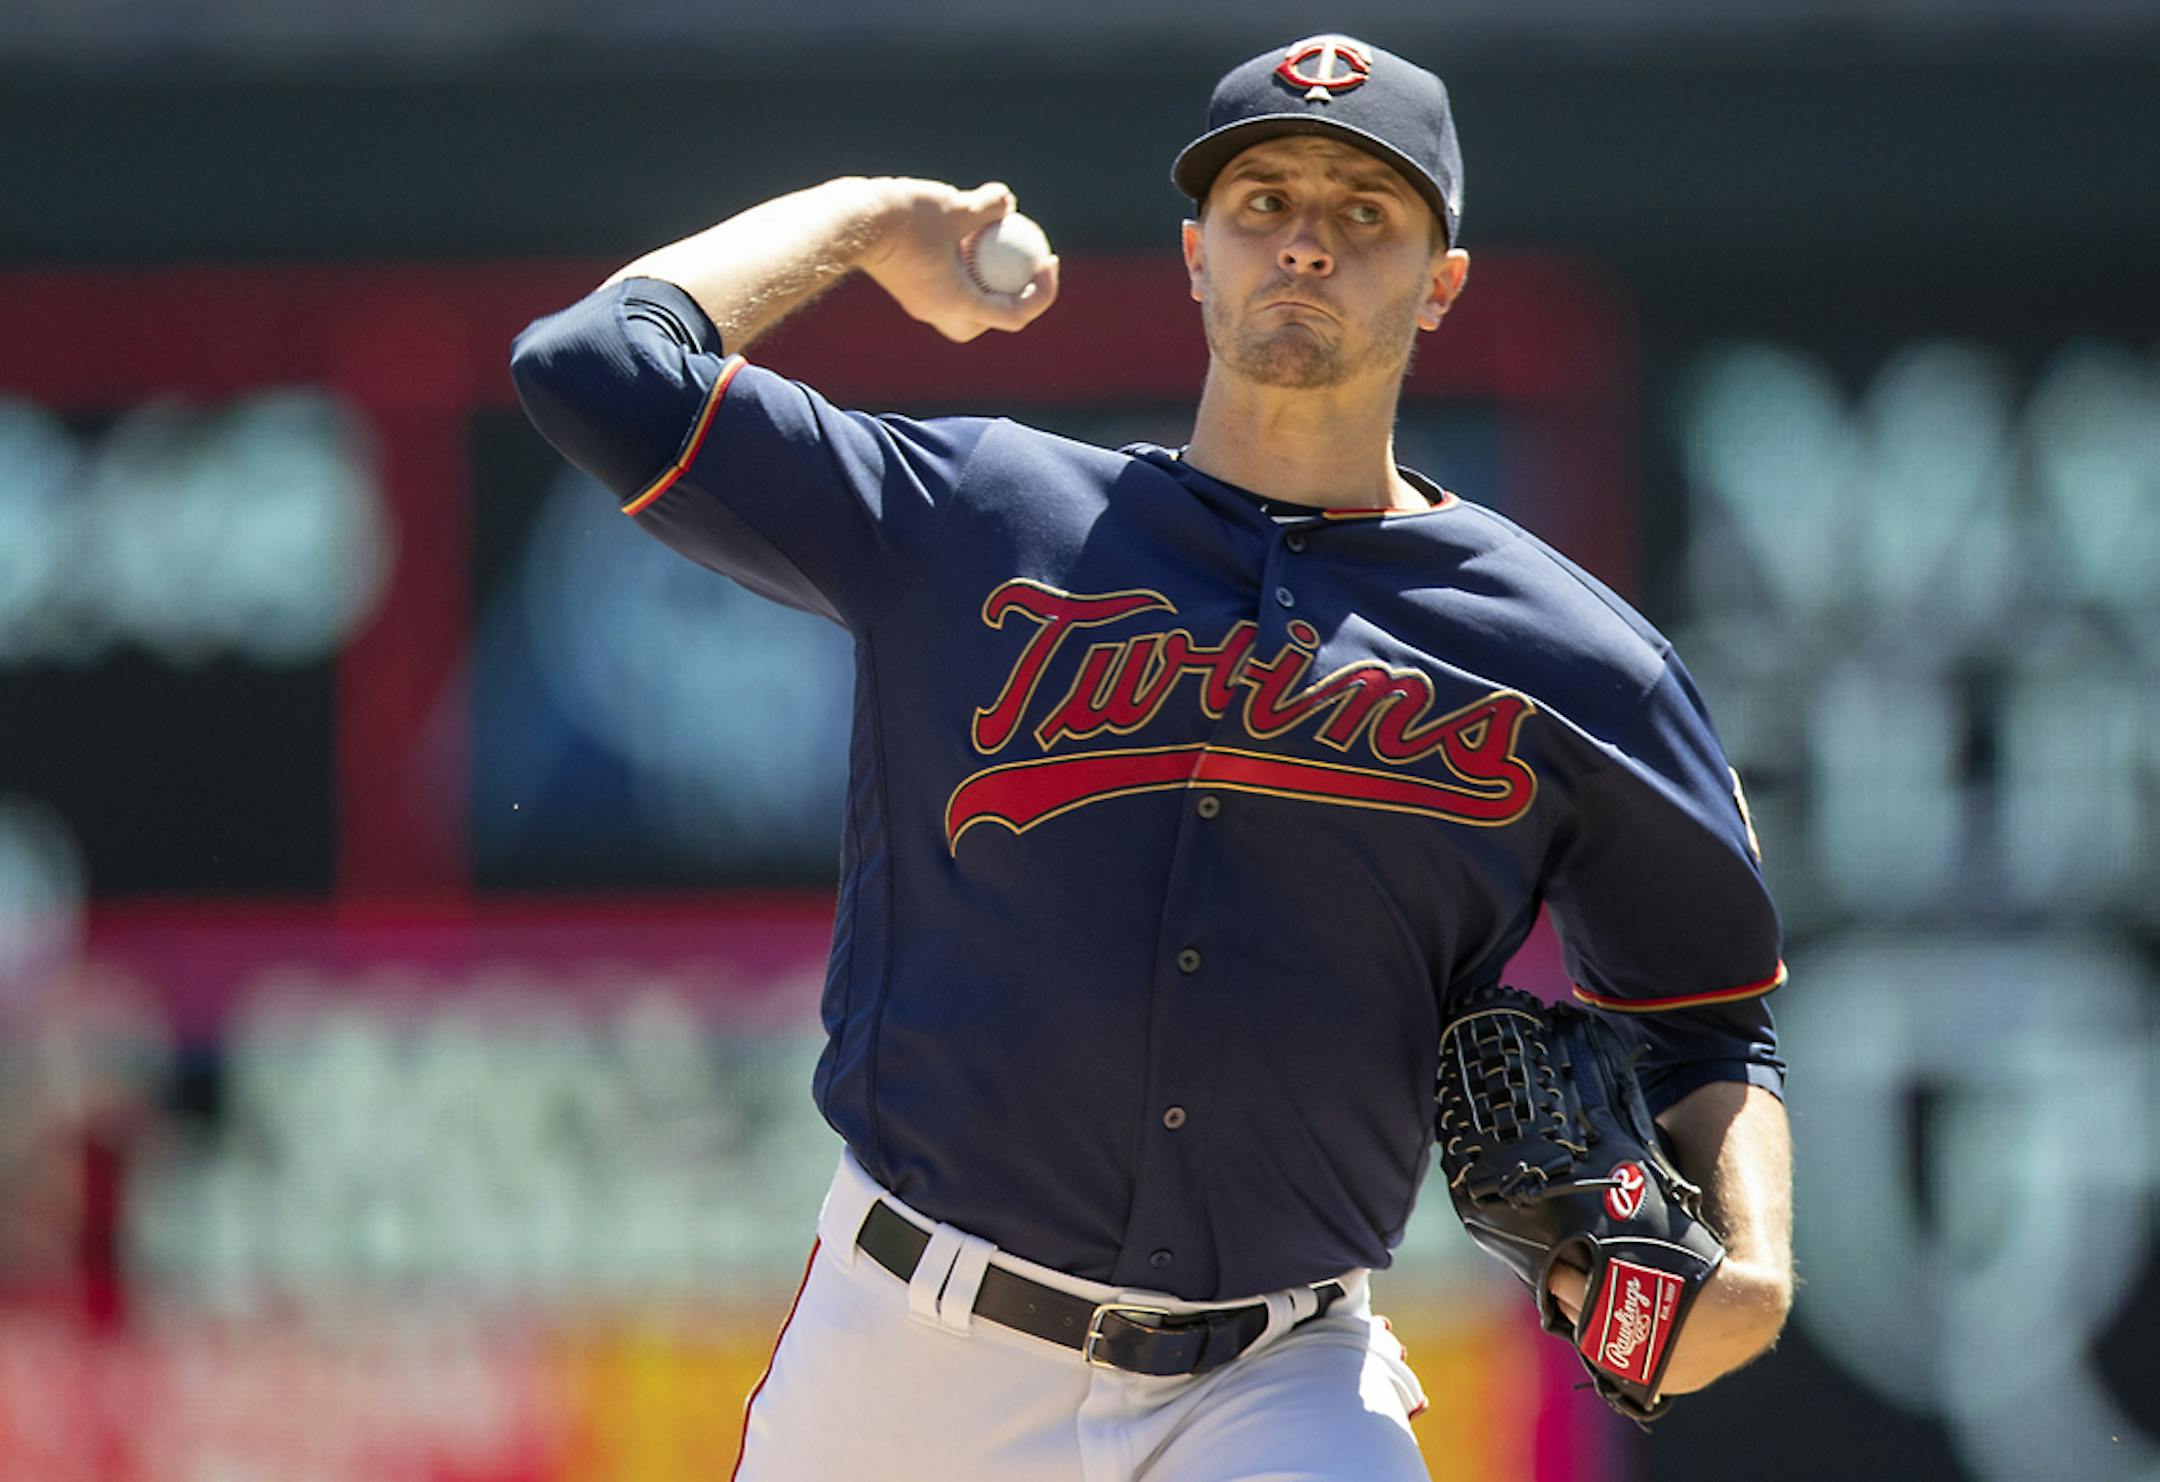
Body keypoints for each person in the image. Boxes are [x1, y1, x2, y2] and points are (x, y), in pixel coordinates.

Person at [510, 33, 1792, 1481]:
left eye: (1364, 212)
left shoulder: (1575, 662)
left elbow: (1707, 1023)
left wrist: (1748, 1264)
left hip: (1279, 1380)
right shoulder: (982, 514)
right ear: (1196, 256)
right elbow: (593, 366)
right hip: (914, 1353)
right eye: (1263, 203)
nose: (1305, 242)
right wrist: (866, 219)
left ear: (1442, 283)